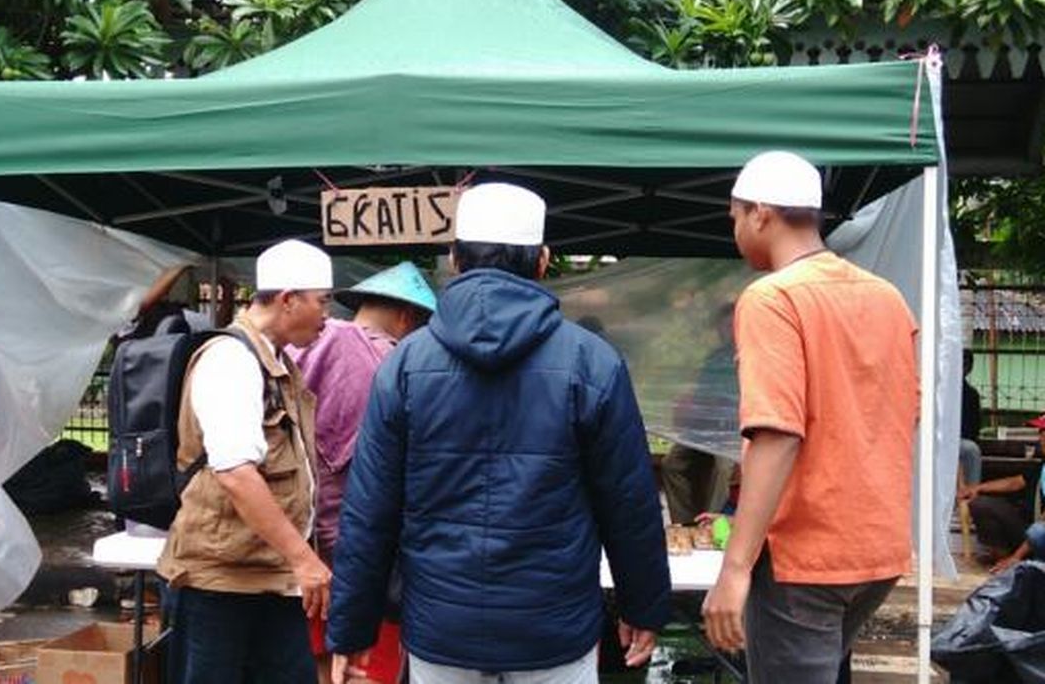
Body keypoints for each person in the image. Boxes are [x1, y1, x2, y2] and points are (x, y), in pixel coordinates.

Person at [327, 183, 670, 684]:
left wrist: (353, 628)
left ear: (454, 258)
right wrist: (644, 607)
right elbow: (629, 503)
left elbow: (369, 511)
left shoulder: (405, 365)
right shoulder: (591, 362)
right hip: (553, 629)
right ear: (543, 260)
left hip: (442, 629)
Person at [702, 151, 920, 684]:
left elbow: (778, 432)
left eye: (733, 216)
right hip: (878, 549)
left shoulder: (772, 298)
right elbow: (904, 414)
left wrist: (734, 568)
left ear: (759, 213)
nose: (735, 229)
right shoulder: (887, 298)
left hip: (806, 556)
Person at [159, 239, 334, 684]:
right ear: (288, 299)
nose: (327, 315)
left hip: (269, 577)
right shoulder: (230, 361)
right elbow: (236, 475)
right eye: (322, 301)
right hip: (221, 584)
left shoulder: (274, 362)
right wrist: (304, 559)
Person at [289, 262, 437, 684]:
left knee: (316, 659)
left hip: (299, 539)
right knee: (367, 667)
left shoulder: (301, 343)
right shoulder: (390, 361)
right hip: (365, 551)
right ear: (408, 318)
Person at [662, 303, 738, 525]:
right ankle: (686, 523)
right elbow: (701, 394)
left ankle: (713, 524)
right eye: (722, 326)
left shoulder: (751, 354)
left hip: (733, 432)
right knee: (671, 463)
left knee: (723, 469)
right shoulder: (714, 357)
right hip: (706, 428)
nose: (726, 330)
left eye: (730, 325)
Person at [962, 413, 1045, 571]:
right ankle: (1003, 561)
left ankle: (1016, 562)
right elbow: (1015, 482)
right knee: (982, 504)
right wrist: (977, 488)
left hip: (1040, 535)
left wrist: (1016, 557)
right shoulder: (1042, 466)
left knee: (1038, 530)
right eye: (1040, 434)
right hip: (1032, 533)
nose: (1041, 439)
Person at [958, 349, 983, 488]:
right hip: (939, 440)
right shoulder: (938, 389)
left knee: (971, 449)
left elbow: (974, 428)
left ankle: (971, 492)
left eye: (965, 365)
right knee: (971, 449)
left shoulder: (971, 395)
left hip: (960, 441)